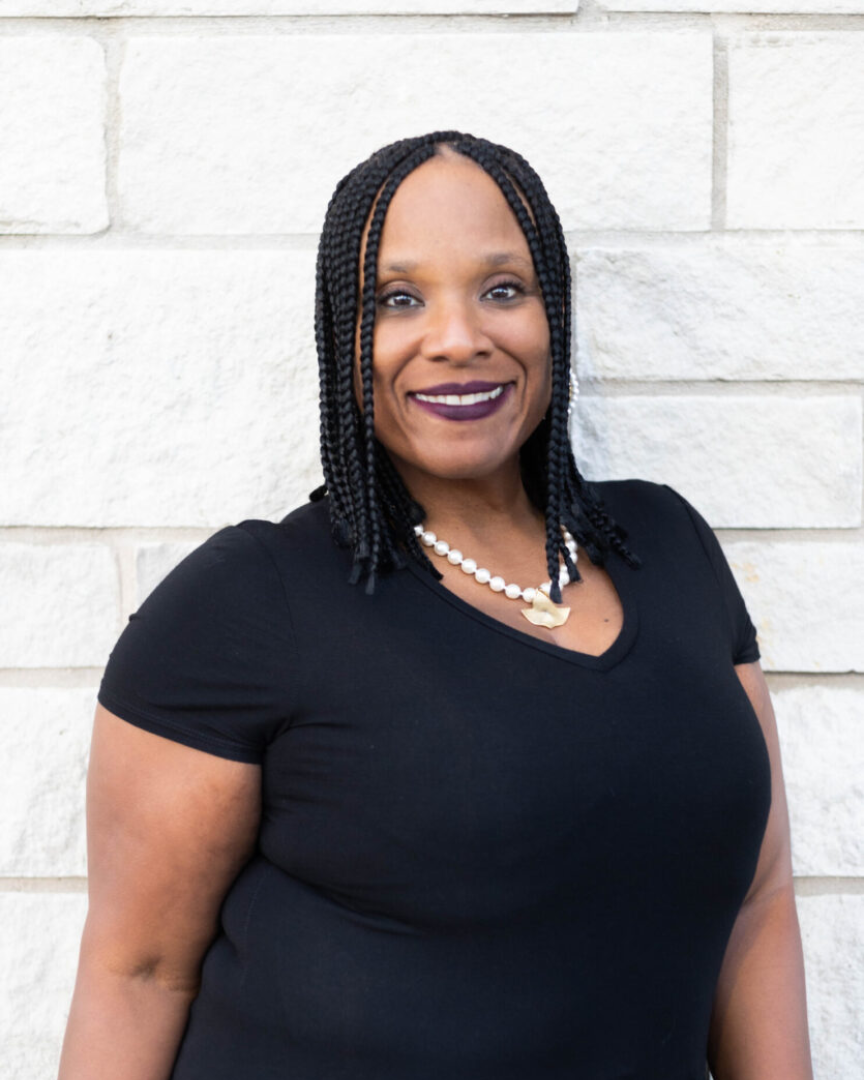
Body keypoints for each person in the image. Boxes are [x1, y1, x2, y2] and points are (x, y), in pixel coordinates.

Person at [59, 131, 813, 1080]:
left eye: (503, 289)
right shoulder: (249, 602)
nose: (459, 338)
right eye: (398, 299)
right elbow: (138, 973)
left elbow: (756, 900)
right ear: (345, 331)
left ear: (554, 315)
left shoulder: (668, 547)